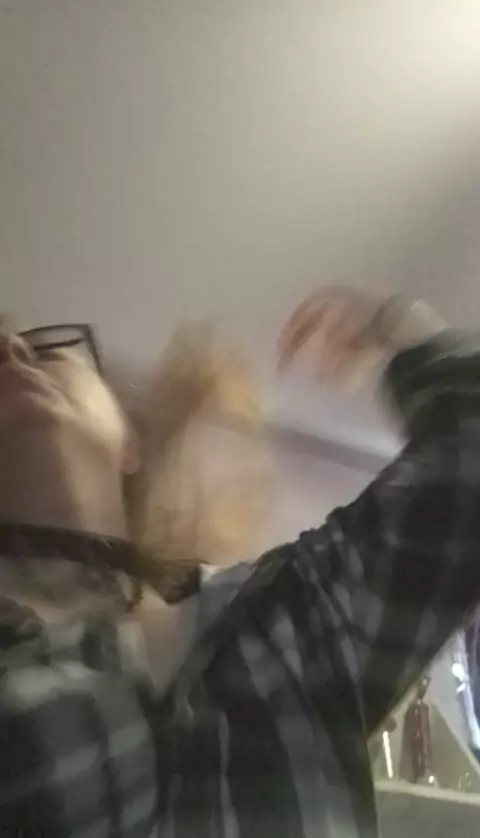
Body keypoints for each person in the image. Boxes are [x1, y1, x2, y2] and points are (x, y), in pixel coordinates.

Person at [0, 287, 479, 837]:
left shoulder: (286, 614)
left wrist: (397, 323)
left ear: (128, 442)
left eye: (42, 347)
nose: (13, 348)